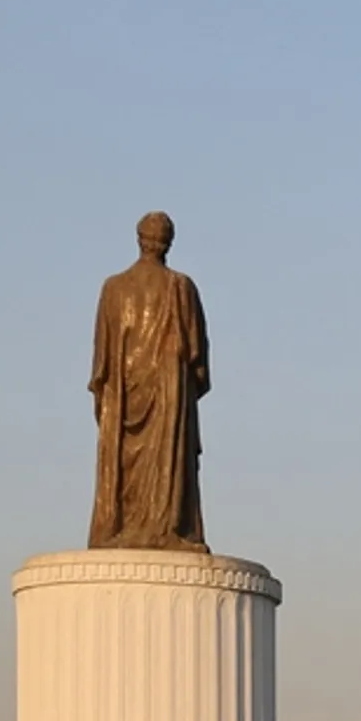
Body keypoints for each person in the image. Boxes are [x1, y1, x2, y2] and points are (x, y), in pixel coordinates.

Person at [88, 210, 211, 550]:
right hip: (167, 389)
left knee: (124, 460)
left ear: (139, 239)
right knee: (167, 458)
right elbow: (198, 359)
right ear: (167, 243)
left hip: (125, 391)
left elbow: (101, 361)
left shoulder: (114, 288)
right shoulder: (180, 287)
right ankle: (165, 525)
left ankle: (127, 526)